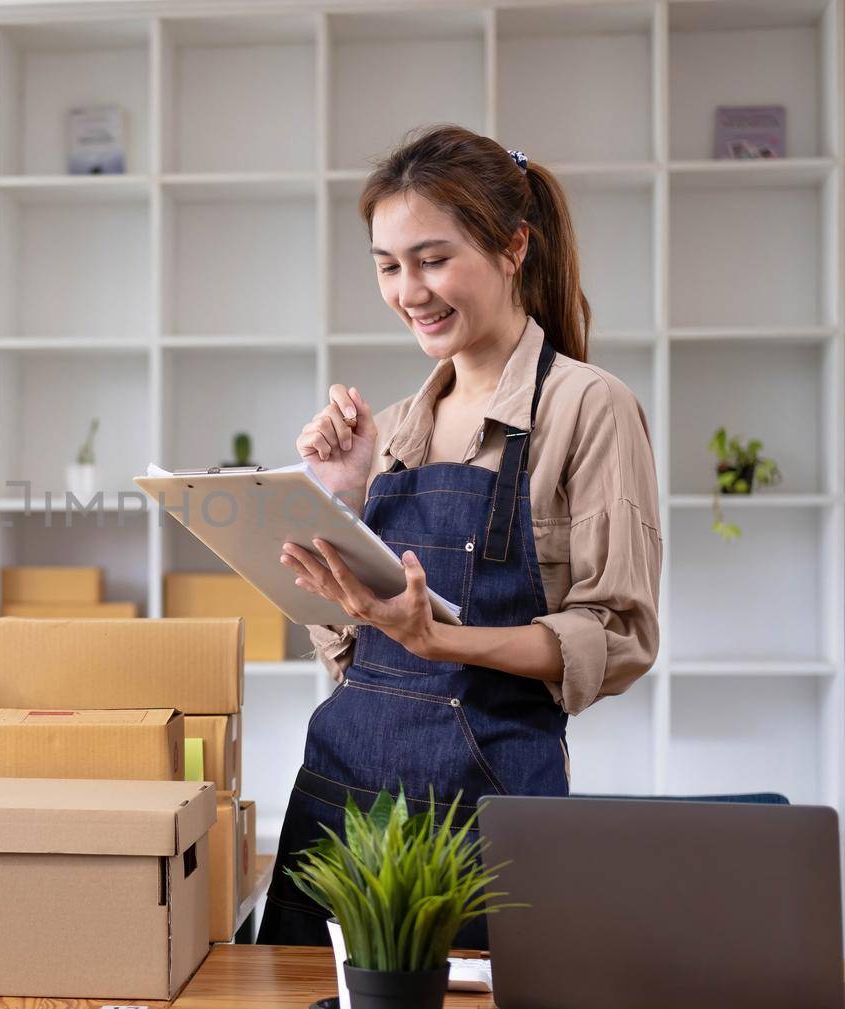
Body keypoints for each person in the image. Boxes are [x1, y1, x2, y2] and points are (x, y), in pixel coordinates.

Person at [256, 124, 662, 949]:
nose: (410, 290)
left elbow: (620, 636)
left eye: (433, 258)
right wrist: (342, 504)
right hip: (343, 803)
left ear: (514, 247)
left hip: (489, 819)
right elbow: (352, 658)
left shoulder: (588, 407)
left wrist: (446, 639)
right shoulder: (394, 428)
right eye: (387, 265)